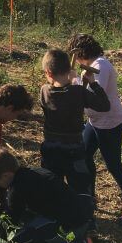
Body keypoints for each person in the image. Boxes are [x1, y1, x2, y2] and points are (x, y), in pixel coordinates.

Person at [0, 148, 93, 243]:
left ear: (6, 175)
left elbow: (11, 218)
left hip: (70, 225)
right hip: (79, 216)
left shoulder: (17, 188)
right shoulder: (32, 172)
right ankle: (78, 236)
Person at [69, 34, 122, 225]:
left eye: (75, 54)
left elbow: (94, 99)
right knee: (84, 155)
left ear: (81, 53)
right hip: (95, 122)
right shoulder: (92, 65)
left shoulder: (101, 66)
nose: (75, 59)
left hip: (110, 122)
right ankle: (89, 197)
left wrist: (73, 81)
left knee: (114, 166)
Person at [40, 49, 109, 199]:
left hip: (50, 148)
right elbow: (104, 106)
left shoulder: (44, 91)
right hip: (74, 149)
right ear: (68, 69)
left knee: (52, 185)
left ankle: (54, 214)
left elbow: (63, 94)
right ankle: (84, 214)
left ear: (48, 73)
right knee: (80, 188)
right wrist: (92, 83)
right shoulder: (78, 92)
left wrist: (72, 84)